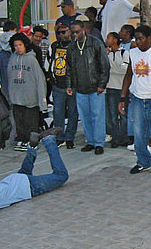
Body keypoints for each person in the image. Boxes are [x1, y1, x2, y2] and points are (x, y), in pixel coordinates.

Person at [119, 25, 151, 177]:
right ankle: (143, 162)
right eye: (136, 38)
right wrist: (123, 97)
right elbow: (129, 75)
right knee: (138, 132)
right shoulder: (132, 53)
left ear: (149, 38)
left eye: (141, 38)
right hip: (137, 97)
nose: (138, 41)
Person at [66, 20, 110, 155]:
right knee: (85, 116)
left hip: (96, 87)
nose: (74, 34)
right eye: (72, 32)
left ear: (83, 30)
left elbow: (104, 65)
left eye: (77, 32)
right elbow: (69, 68)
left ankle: (99, 143)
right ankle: (90, 141)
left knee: (97, 115)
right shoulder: (71, 47)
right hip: (80, 88)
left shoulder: (95, 43)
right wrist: (69, 85)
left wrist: (102, 84)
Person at [8, 33, 48, 151]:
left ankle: (31, 141)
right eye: (15, 45)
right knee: (19, 120)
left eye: (20, 45)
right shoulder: (12, 58)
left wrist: (42, 100)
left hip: (30, 98)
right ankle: (21, 138)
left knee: (30, 121)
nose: (18, 48)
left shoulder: (31, 59)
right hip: (17, 97)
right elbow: (9, 77)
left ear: (25, 45)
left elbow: (40, 80)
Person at [50, 24, 78, 149]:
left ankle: (70, 137)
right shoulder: (54, 46)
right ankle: (59, 137)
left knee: (73, 113)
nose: (61, 35)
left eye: (64, 32)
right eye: (59, 33)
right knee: (58, 113)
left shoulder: (76, 46)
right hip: (58, 85)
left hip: (73, 85)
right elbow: (49, 64)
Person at [105, 32, 129, 148]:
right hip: (110, 88)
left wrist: (111, 68)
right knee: (112, 115)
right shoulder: (107, 54)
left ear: (115, 40)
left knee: (123, 115)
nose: (106, 40)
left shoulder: (124, 52)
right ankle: (115, 138)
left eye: (109, 38)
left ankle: (124, 137)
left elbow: (125, 70)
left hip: (122, 88)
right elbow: (104, 69)